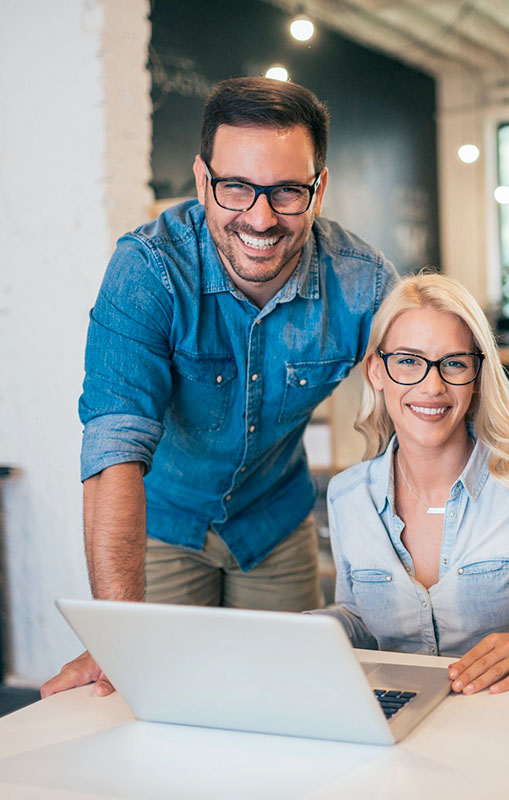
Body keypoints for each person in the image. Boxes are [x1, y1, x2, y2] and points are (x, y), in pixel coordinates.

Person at [41, 77, 397, 697]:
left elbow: (442, 399)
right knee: (159, 703)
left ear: (319, 187)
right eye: (236, 187)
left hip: (274, 522)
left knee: (292, 704)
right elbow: (113, 450)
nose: (260, 218)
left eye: (287, 191)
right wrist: (117, 636)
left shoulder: (362, 283)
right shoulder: (148, 270)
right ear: (203, 180)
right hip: (161, 523)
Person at [317, 273, 509, 695]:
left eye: (454, 363)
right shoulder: (348, 496)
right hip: (400, 722)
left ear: (476, 376)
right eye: (408, 361)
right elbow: (360, 623)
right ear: (376, 372)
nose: (432, 386)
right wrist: (308, 628)